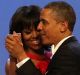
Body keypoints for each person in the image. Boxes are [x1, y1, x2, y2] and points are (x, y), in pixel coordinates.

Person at [15, 1, 80, 75]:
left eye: (44, 22)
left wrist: (20, 55)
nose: (39, 27)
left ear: (63, 26)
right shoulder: (69, 50)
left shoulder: (67, 55)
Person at [5, 5, 51, 75]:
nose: (35, 36)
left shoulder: (54, 56)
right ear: (19, 34)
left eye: (38, 30)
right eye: (28, 32)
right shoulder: (14, 63)